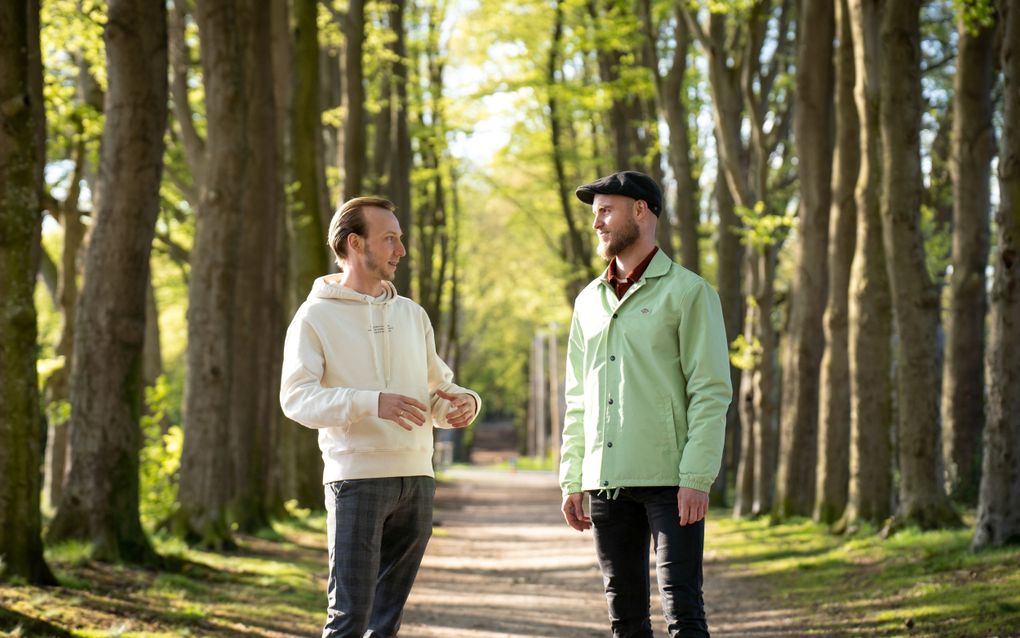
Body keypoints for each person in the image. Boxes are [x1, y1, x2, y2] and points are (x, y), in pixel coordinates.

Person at [280, 196, 481, 638]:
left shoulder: (412, 314)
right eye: (389, 238)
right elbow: (296, 399)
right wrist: (370, 402)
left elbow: (437, 389)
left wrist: (462, 403)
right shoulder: (314, 317)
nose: (400, 250)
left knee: (386, 624)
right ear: (355, 243)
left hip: (417, 478)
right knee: (350, 619)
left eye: (400, 238)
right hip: (357, 478)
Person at [559, 171, 732, 637]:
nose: (596, 223)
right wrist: (572, 477)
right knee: (626, 620)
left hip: (671, 481)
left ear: (641, 210)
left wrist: (697, 476)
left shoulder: (690, 293)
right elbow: (578, 396)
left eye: (605, 210)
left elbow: (710, 390)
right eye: (594, 213)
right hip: (605, 482)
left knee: (684, 613)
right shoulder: (587, 302)